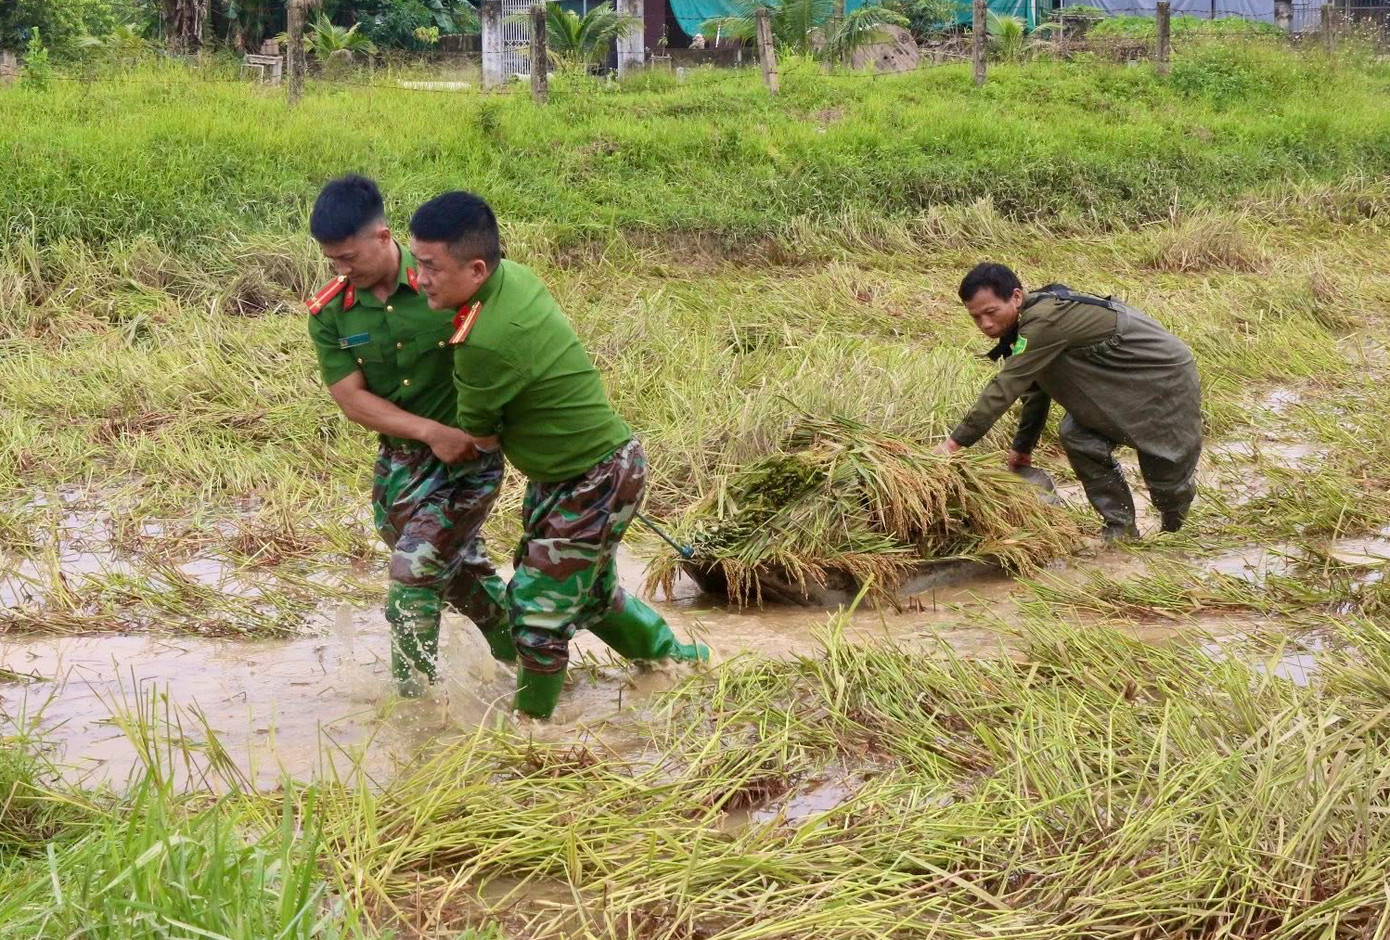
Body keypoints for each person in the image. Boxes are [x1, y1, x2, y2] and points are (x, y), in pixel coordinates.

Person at [407, 190, 708, 720]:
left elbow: (483, 438)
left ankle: (534, 730)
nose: (420, 279)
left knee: (536, 613)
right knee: (589, 598)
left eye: (431, 267)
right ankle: (682, 663)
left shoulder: (485, 342)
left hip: (595, 478)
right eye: (416, 263)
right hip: (581, 474)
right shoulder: (512, 279)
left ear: (476, 268)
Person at [305, 175, 515, 697]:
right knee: (462, 575)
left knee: (413, 574)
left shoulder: (443, 280)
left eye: (349, 257)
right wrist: (429, 432)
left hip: (468, 460)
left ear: (383, 237)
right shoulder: (332, 310)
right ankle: (533, 663)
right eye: (332, 261)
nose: (341, 270)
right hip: (402, 459)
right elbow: (351, 398)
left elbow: (510, 342)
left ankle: (416, 708)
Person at [936, 262, 1202, 540]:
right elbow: (1034, 391)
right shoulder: (1024, 327)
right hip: (1111, 381)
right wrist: (1022, 450)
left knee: (1165, 471)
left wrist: (953, 444)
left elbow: (1006, 386)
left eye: (991, 312)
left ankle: (1176, 535)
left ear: (1015, 297)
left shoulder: (1043, 321)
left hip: (1161, 376)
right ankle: (1120, 528)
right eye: (976, 317)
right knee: (1077, 435)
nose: (986, 324)